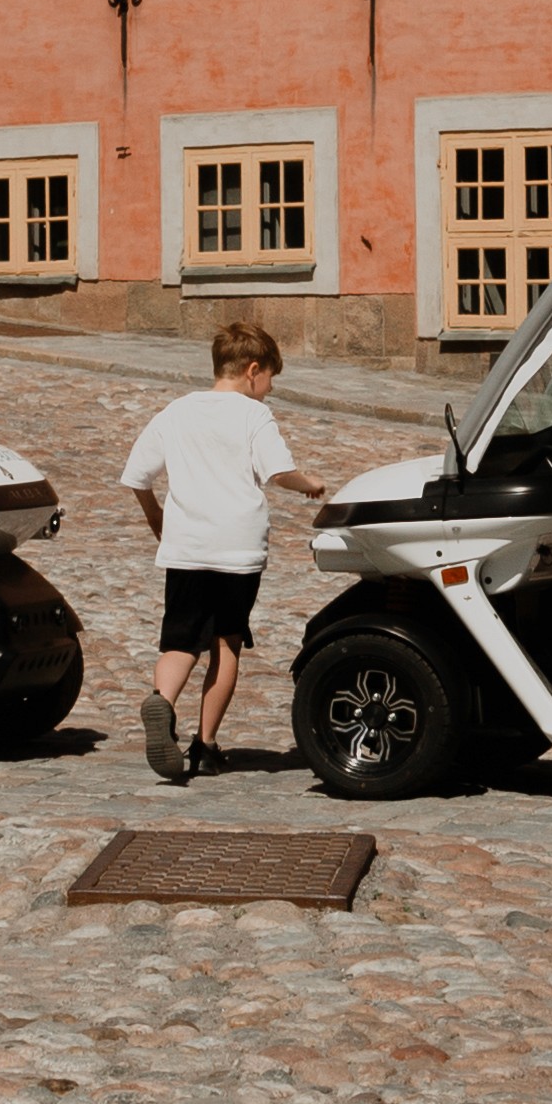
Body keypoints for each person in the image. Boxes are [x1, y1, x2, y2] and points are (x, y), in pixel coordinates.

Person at [122, 317, 314, 781]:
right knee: (226, 640)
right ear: (253, 370)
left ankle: (163, 702)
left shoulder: (176, 412)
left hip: (187, 545)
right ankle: (205, 746)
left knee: (180, 639)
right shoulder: (253, 415)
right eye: (270, 378)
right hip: (236, 548)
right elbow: (277, 472)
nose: (270, 389)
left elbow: (137, 476)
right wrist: (310, 483)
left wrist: (155, 518)